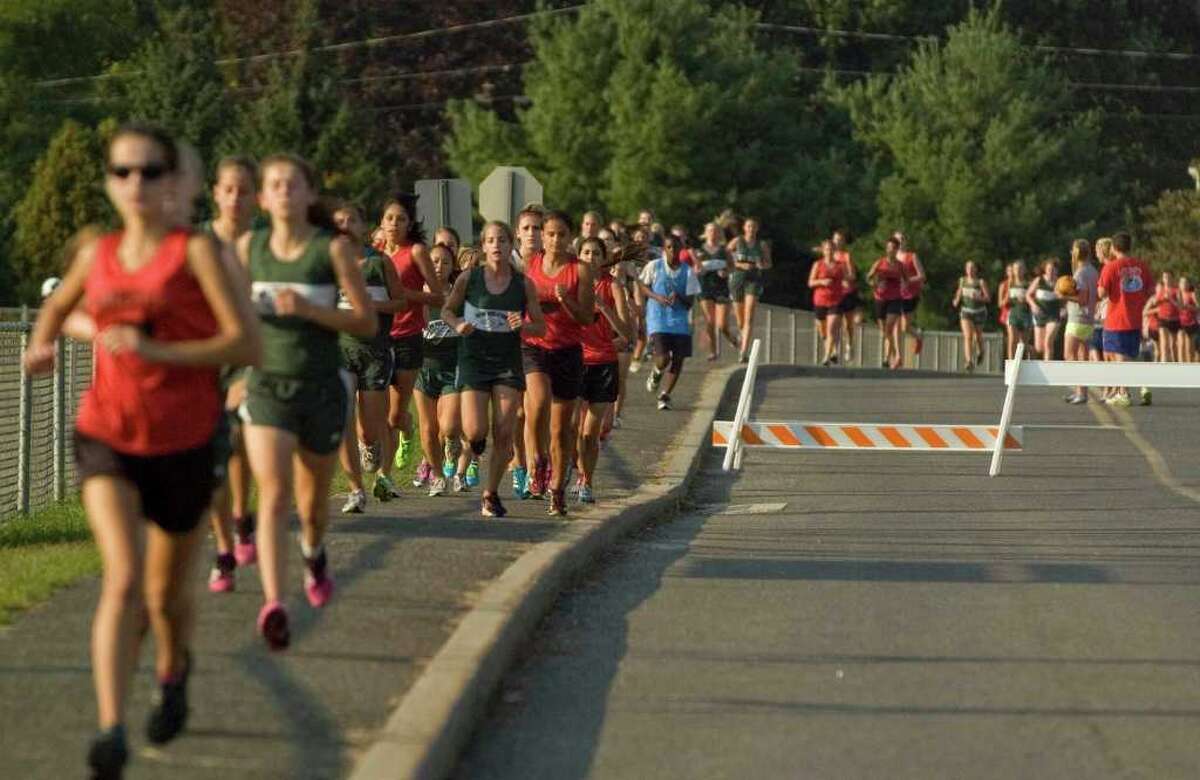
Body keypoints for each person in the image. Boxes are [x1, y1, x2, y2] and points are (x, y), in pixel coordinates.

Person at [23, 124, 259, 777]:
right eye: (123, 173)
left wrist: (160, 352)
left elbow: (248, 346)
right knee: (122, 579)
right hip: (106, 434)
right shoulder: (96, 251)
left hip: (183, 439)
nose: (137, 184)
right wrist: (41, 345)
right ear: (110, 182)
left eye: (151, 172)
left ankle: (174, 667)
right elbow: (58, 305)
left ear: (175, 182)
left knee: (163, 597)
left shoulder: (199, 254)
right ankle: (109, 728)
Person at [237, 154, 378, 651]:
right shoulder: (248, 248)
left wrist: (311, 311)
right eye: (273, 184)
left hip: (320, 388)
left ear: (309, 194)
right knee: (272, 495)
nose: (282, 192)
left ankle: (314, 553)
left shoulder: (332, 251)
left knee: (311, 503)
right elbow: (229, 312)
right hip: (267, 387)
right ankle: (274, 602)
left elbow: (366, 322)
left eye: (292, 184)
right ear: (263, 196)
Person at [441, 221, 546, 517]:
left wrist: (524, 325)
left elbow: (541, 326)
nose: (497, 245)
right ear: (483, 246)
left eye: (502, 240)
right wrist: (458, 324)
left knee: (504, 430)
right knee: (475, 431)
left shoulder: (523, 284)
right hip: (474, 360)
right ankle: (474, 448)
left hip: (507, 363)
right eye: (491, 240)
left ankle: (490, 493)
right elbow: (448, 310)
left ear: (511, 245)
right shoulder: (468, 279)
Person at [202, 156, 262, 593]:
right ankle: (225, 547)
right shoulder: (197, 243)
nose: (236, 198)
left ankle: (242, 517)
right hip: (203, 356)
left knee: (238, 439)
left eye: (245, 190)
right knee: (212, 462)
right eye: (229, 189)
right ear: (216, 193)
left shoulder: (268, 244)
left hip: (253, 355)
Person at [521, 210, 595, 516]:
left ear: (570, 237)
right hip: (534, 345)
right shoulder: (530, 263)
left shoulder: (582, 270)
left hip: (567, 350)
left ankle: (557, 491)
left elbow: (587, 317)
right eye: (550, 234)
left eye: (561, 234)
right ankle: (537, 460)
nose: (555, 240)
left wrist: (566, 301)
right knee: (536, 403)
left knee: (561, 430)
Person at [334, 203, 406, 513]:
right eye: (340, 221)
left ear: (363, 228)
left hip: (375, 350)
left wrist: (370, 306)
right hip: (340, 349)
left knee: (369, 428)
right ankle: (355, 490)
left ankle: (372, 448)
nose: (346, 226)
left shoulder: (380, 263)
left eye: (352, 220)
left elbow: (401, 301)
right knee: (342, 418)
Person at [379, 196, 443, 496]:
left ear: (409, 223)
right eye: (389, 218)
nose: (394, 224)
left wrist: (403, 293)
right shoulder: (375, 252)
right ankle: (383, 476)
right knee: (372, 414)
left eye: (400, 219)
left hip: (407, 337)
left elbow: (438, 297)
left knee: (393, 415)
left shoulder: (416, 251)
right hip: (376, 337)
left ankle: (405, 432)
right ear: (381, 222)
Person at [575, 237, 632, 503]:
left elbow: (628, 333)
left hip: (603, 364)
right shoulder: (570, 283)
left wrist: (604, 306)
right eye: (585, 252)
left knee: (590, 432)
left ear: (603, 257)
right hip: (574, 361)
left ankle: (586, 481)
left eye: (596, 253)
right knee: (573, 428)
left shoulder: (613, 286)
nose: (590, 257)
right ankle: (574, 472)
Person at [412, 242, 464, 496]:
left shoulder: (458, 294)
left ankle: (453, 443)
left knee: (450, 426)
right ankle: (438, 476)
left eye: (445, 262)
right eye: (433, 261)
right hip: (423, 369)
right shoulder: (416, 294)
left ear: (453, 265)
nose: (439, 267)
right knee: (428, 428)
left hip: (452, 367)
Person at [640, 233, 701, 410]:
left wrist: (679, 297)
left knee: (679, 358)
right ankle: (657, 372)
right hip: (658, 318)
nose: (672, 251)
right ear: (663, 249)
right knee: (664, 357)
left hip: (680, 320)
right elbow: (642, 285)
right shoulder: (655, 266)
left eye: (675, 247)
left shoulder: (687, 272)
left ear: (681, 250)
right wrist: (656, 296)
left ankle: (665, 395)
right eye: (668, 247)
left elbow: (690, 302)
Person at [509, 206, 544, 498]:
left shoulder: (550, 263)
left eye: (537, 228)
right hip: (506, 345)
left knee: (533, 411)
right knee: (516, 413)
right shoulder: (506, 262)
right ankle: (518, 463)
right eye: (527, 228)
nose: (532, 233)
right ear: (517, 233)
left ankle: (534, 469)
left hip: (539, 345)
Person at [1098, 232, 1153, 407]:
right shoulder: (1142, 266)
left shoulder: (1111, 267)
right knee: (1128, 355)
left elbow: (1102, 292)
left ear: (1114, 248)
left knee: (1119, 356)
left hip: (1116, 318)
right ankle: (1137, 386)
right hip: (1135, 318)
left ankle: (1124, 392)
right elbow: (1150, 290)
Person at [727, 217, 772, 363]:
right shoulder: (737, 241)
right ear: (744, 228)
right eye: (748, 226)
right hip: (737, 280)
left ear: (757, 229)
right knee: (740, 320)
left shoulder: (762, 245)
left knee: (749, 317)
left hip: (753, 280)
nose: (751, 229)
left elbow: (768, 263)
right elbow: (725, 255)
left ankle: (743, 351)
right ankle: (742, 337)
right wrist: (739, 264)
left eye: (753, 227)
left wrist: (761, 265)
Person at [694, 221, 737, 360]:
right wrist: (698, 270)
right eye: (710, 231)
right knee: (709, 321)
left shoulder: (724, 251)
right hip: (704, 288)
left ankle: (732, 339)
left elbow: (732, 267)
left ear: (719, 234)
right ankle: (713, 351)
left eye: (715, 231)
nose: (712, 233)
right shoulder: (699, 251)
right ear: (705, 233)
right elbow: (693, 269)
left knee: (722, 325)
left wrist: (726, 272)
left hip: (721, 289)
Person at [1063, 239, 1098, 403]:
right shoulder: (1093, 271)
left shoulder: (1080, 273)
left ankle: (1080, 391)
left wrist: (1064, 295)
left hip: (1077, 319)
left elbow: (1082, 299)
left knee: (1069, 356)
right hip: (1089, 319)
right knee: (1082, 357)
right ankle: (1081, 392)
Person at [867, 237, 908, 369]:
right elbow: (869, 277)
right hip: (880, 298)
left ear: (897, 249)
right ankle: (893, 353)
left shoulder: (900, 265)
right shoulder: (880, 263)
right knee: (884, 331)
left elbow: (906, 280)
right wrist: (874, 284)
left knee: (889, 327)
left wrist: (903, 287)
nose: (890, 250)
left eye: (893, 248)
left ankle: (886, 358)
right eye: (888, 247)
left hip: (895, 298)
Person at [808, 239, 848, 366]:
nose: (829, 252)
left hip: (836, 300)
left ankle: (826, 357)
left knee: (831, 329)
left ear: (835, 251)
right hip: (820, 300)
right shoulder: (818, 265)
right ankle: (831, 348)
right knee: (823, 330)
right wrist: (822, 282)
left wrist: (846, 284)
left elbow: (847, 279)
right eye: (827, 249)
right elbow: (810, 282)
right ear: (823, 251)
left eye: (831, 249)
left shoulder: (840, 266)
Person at [952, 261, 990, 372]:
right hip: (966, 311)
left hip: (979, 311)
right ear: (965, 269)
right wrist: (956, 300)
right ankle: (969, 361)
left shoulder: (980, 282)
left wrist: (979, 298)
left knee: (977, 336)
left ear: (976, 269)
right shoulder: (962, 280)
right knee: (968, 336)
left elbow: (988, 298)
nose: (970, 270)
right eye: (968, 267)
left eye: (972, 268)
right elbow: (959, 292)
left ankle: (981, 351)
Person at [894, 231, 925, 359]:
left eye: (902, 239)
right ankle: (898, 357)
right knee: (895, 325)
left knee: (905, 327)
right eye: (897, 240)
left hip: (910, 295)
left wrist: (908, 280)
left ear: (906, 242)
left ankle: (917, 335)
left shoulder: (912, 256)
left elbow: (922, 276)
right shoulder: (890, 259)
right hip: (895, 295)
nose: (900, 242)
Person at [832, 230, 861, 363]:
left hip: (847, 292)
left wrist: (842, 277)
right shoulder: (829, 256)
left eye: (840, 239)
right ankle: (834, 351)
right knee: (834, 322)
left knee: (848, 324)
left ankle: (849, 345)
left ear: (843, 242)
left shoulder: (846, 256)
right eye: (836, 239)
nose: (838, 242)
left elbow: (853, 275)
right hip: (834, 294)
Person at [1026, 259, 1062, 359]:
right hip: (1040, 315)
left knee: (1048, 342)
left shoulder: (1060, 282)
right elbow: (1028, 295)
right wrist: (1033, 305)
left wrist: (1062, 298)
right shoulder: (1039, 280)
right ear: (1045, 270)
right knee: (1039, 348)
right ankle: (1029, 354)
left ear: (1056, 271)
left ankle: (1048, 369)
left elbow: (1065, 298)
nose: (1051, 272)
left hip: (1054, 315)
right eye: (1049, 269)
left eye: (1053, 270)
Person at [1149, 271, 1180, 363]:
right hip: (1163, 320)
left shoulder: (1176, 290)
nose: (1166, 279)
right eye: (1164, 277)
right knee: (1164, 345)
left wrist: (1170, 299)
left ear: (1172, 278)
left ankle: (1176, 364)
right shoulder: (1161, 290)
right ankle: (1163, 367)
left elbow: (1180, 306)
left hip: (1174, 320)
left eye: (1168, 277)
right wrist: (1162, 299)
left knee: (1173, 345)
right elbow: (1154, 303)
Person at [1006, 261, 1033, 360]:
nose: (1018, 271)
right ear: (1013, 270)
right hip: (1013, 314)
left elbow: (1034, 298)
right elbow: (1005, 301)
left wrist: (1025, 299)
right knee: (1012, 339)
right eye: (1016, 269)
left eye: (1020, 269)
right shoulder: (1010, 283)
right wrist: (1009, 299)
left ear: (1024, 270)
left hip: (1026, 314)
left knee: (1024, 343)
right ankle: (1011, 363)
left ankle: (1025, 362)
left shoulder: (1029, 283)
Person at [1179, 276, 1197, 363]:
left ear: (1189, 284)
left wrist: (1188, 306)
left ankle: (1190, 367)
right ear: (1179, 284)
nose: (1184, 285)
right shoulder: (1177, 294)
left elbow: (1197, 308)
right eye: (1182, 282)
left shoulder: (1192, 294)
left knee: (1189, 348)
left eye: (1186, 283)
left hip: (1191, 323)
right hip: (1179, 323)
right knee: (1181, 345)